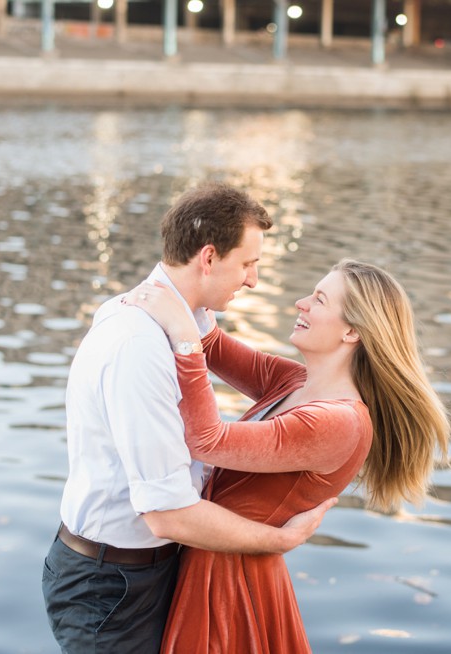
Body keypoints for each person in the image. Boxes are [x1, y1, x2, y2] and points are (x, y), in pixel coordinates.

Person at [42, 182, 337, 654]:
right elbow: (166, 512)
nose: (254, 280)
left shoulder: (181, 322)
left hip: (146, 570)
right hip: (112, 587)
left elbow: (232, 358)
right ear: (208, 257)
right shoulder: (140, 344)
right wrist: (277, 540)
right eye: (247, 263)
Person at [124, 258, 451, 653]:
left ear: (351, 331)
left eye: (319, 299)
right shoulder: (295, 382)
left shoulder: (339, 423)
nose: (301, 303)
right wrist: (198, 276)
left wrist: (182, 334)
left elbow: (207, 439)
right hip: (218, 562)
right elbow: (212, 345)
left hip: (231, 582)